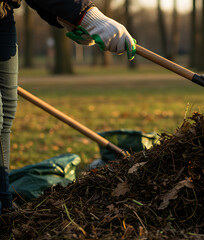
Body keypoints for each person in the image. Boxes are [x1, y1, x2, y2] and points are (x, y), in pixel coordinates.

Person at [0, 0, 136, 214]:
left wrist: (68, 19)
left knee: (6, 111)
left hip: (2, 14)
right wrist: (87, 15)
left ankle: (3, 202)